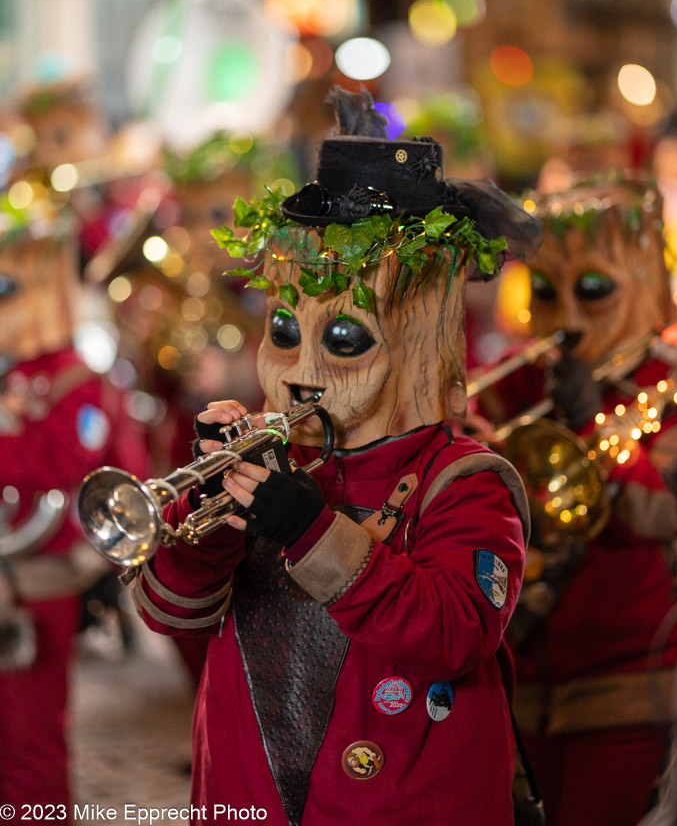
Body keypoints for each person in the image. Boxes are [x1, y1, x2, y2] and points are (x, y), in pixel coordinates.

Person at [126, 87, 542, 825]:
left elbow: (453, 633)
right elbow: (167, 610)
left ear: (411, 338)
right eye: (285, 331)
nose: (300, 365)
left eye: (343, 339)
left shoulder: (467, 483)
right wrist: (210, 511)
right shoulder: (281, 449)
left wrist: (312, 533)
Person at [476, 176, 677, 826]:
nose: (565, 316)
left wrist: (594, 425)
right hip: (522, 675)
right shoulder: (513, 377)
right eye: (545, 290)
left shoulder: (670, 383)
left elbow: (661, 515)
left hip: (624, 682)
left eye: (591, 290)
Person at [0, 186, 149, 811]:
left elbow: (68, 470)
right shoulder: (16, 371)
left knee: (29, 739)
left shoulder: (72, 378)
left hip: (34, 578)